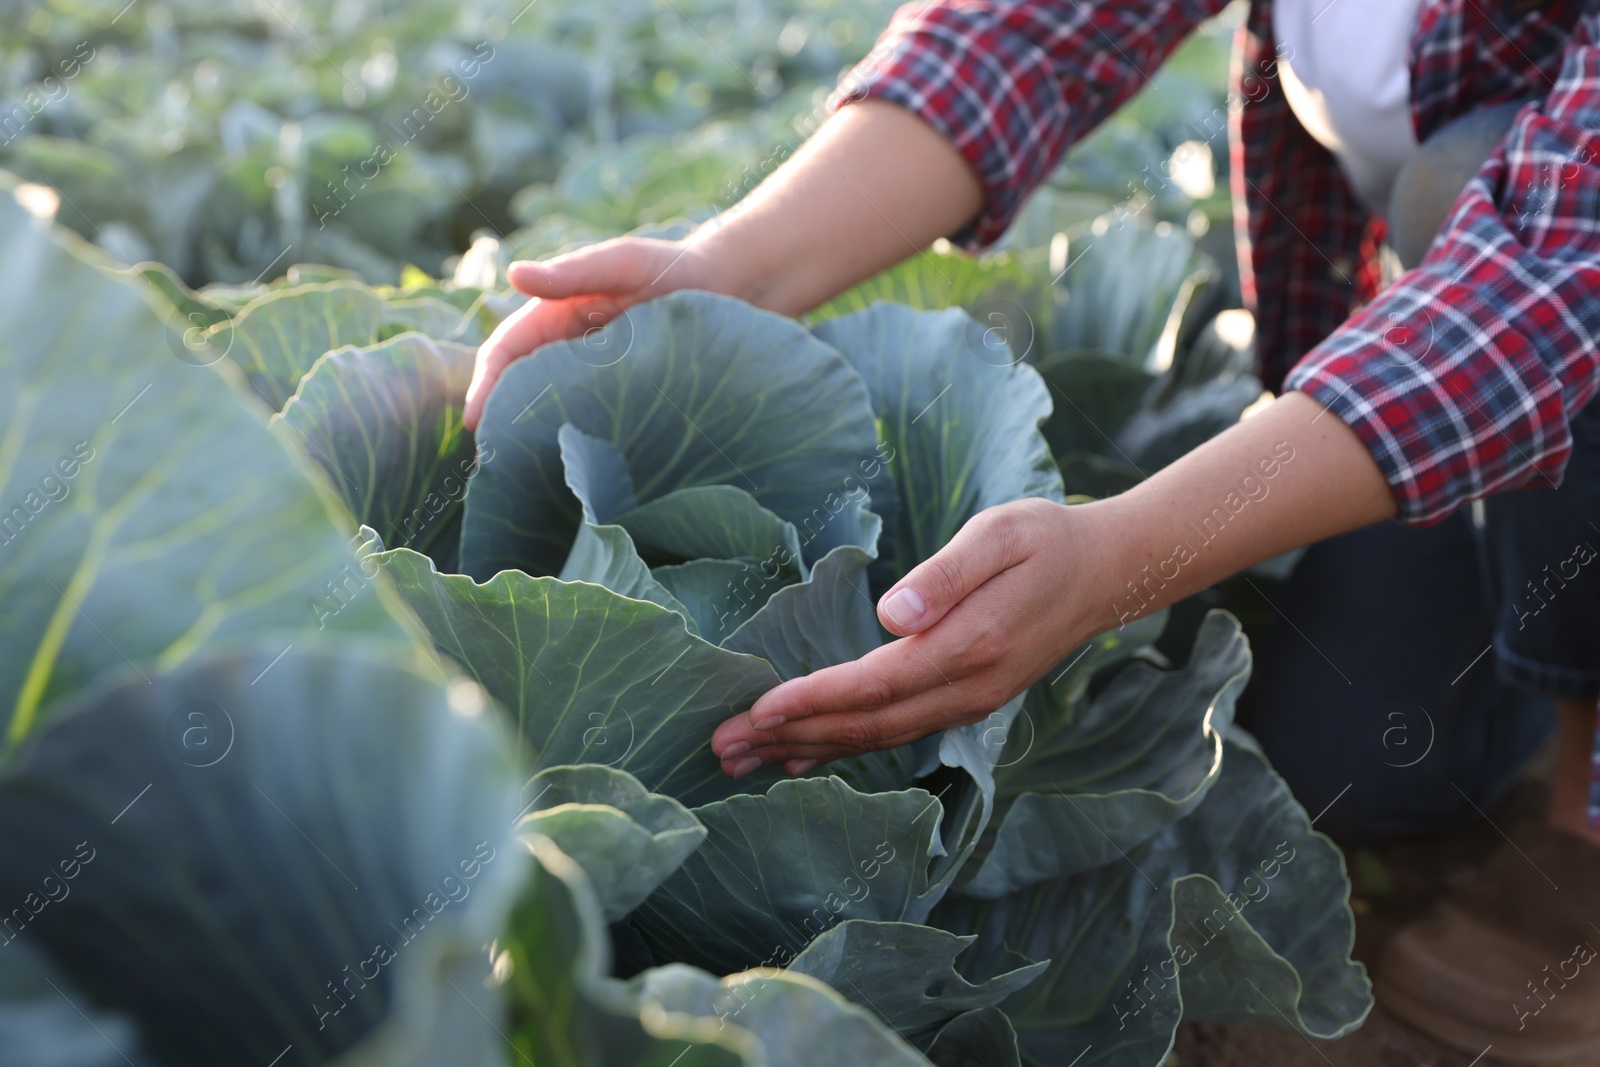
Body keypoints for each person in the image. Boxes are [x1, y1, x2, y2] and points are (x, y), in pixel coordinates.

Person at [464, 0, 1600, 1057]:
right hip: (1451, 343)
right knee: (1359, 756)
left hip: (1536, 296)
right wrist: (729, 269)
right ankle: (1534, 615)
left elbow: (1554, 284)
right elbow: (1031, 30)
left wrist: (1119, 559)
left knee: (1461, 176)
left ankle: (1581, 821)